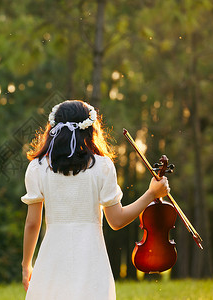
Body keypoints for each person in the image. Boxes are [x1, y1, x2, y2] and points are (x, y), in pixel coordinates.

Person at [21, 100, 170, 300]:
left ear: (53, 129)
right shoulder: (102, 166)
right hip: (91, 259)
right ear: (90, 129)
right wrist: (151, 194)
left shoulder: (37, 168)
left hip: (52, 258)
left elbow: (32, 223)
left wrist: (26, 264)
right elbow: (116, 221)